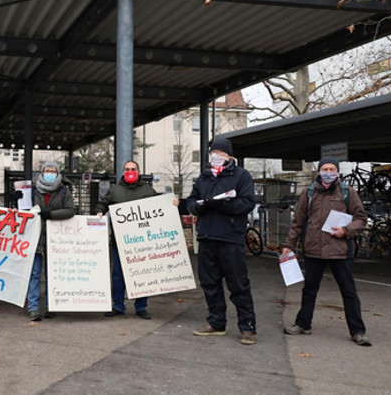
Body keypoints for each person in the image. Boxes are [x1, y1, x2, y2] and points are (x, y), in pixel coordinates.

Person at [282, 157, 371, 346]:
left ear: (337, 171)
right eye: (325, 168)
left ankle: (358, 331)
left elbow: (361, 218)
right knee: (309, 290)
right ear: (319, 171)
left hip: (340, 250)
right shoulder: (309, 192)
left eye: (332, 169)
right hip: (314, 249)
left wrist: (345, 231)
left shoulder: (348, 192)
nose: (328, 172)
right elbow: (298, 222)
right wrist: (288, 245)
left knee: (349, 292)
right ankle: (303, 324)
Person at [186, 137, 257, 345]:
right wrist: (199, 207)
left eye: (221, 152)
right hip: (207, 237)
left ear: (229, 156)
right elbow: (191, 201)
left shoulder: (241, 176)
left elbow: (247, 203)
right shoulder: (204, 177)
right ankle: (216, 322)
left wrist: (221, 205)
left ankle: (247, 327)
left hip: (230, 238)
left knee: (238, 284)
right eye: (213, 152)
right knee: (210, 283)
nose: (217, 156)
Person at [95, 160, 178, 320]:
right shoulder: (115, 190)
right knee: (118, 276)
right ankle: (118, 306)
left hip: (141, 243)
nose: (130, 171)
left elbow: (160, 205)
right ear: (123, 172)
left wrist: (171, 202)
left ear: (138, 171)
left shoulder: (147, 190)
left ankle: (141, 307)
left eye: (133, 169)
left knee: (143, 276)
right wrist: (99, 212)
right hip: (120, 243)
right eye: (127, 169)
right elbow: (102, 203)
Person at [24, 161, 75, 321]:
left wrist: (50, 215)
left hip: (56, 240)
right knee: (35, 274)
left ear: (58, 173)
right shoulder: (32, 190)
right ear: (42, 172)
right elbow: (24, 211)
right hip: (36, 238)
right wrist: (18, 200)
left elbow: (70, 210)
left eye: (53, 170)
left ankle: (49, 306)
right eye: (47, 170)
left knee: (52, 274)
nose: (50, 172)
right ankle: (33, 307)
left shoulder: (64, 191)